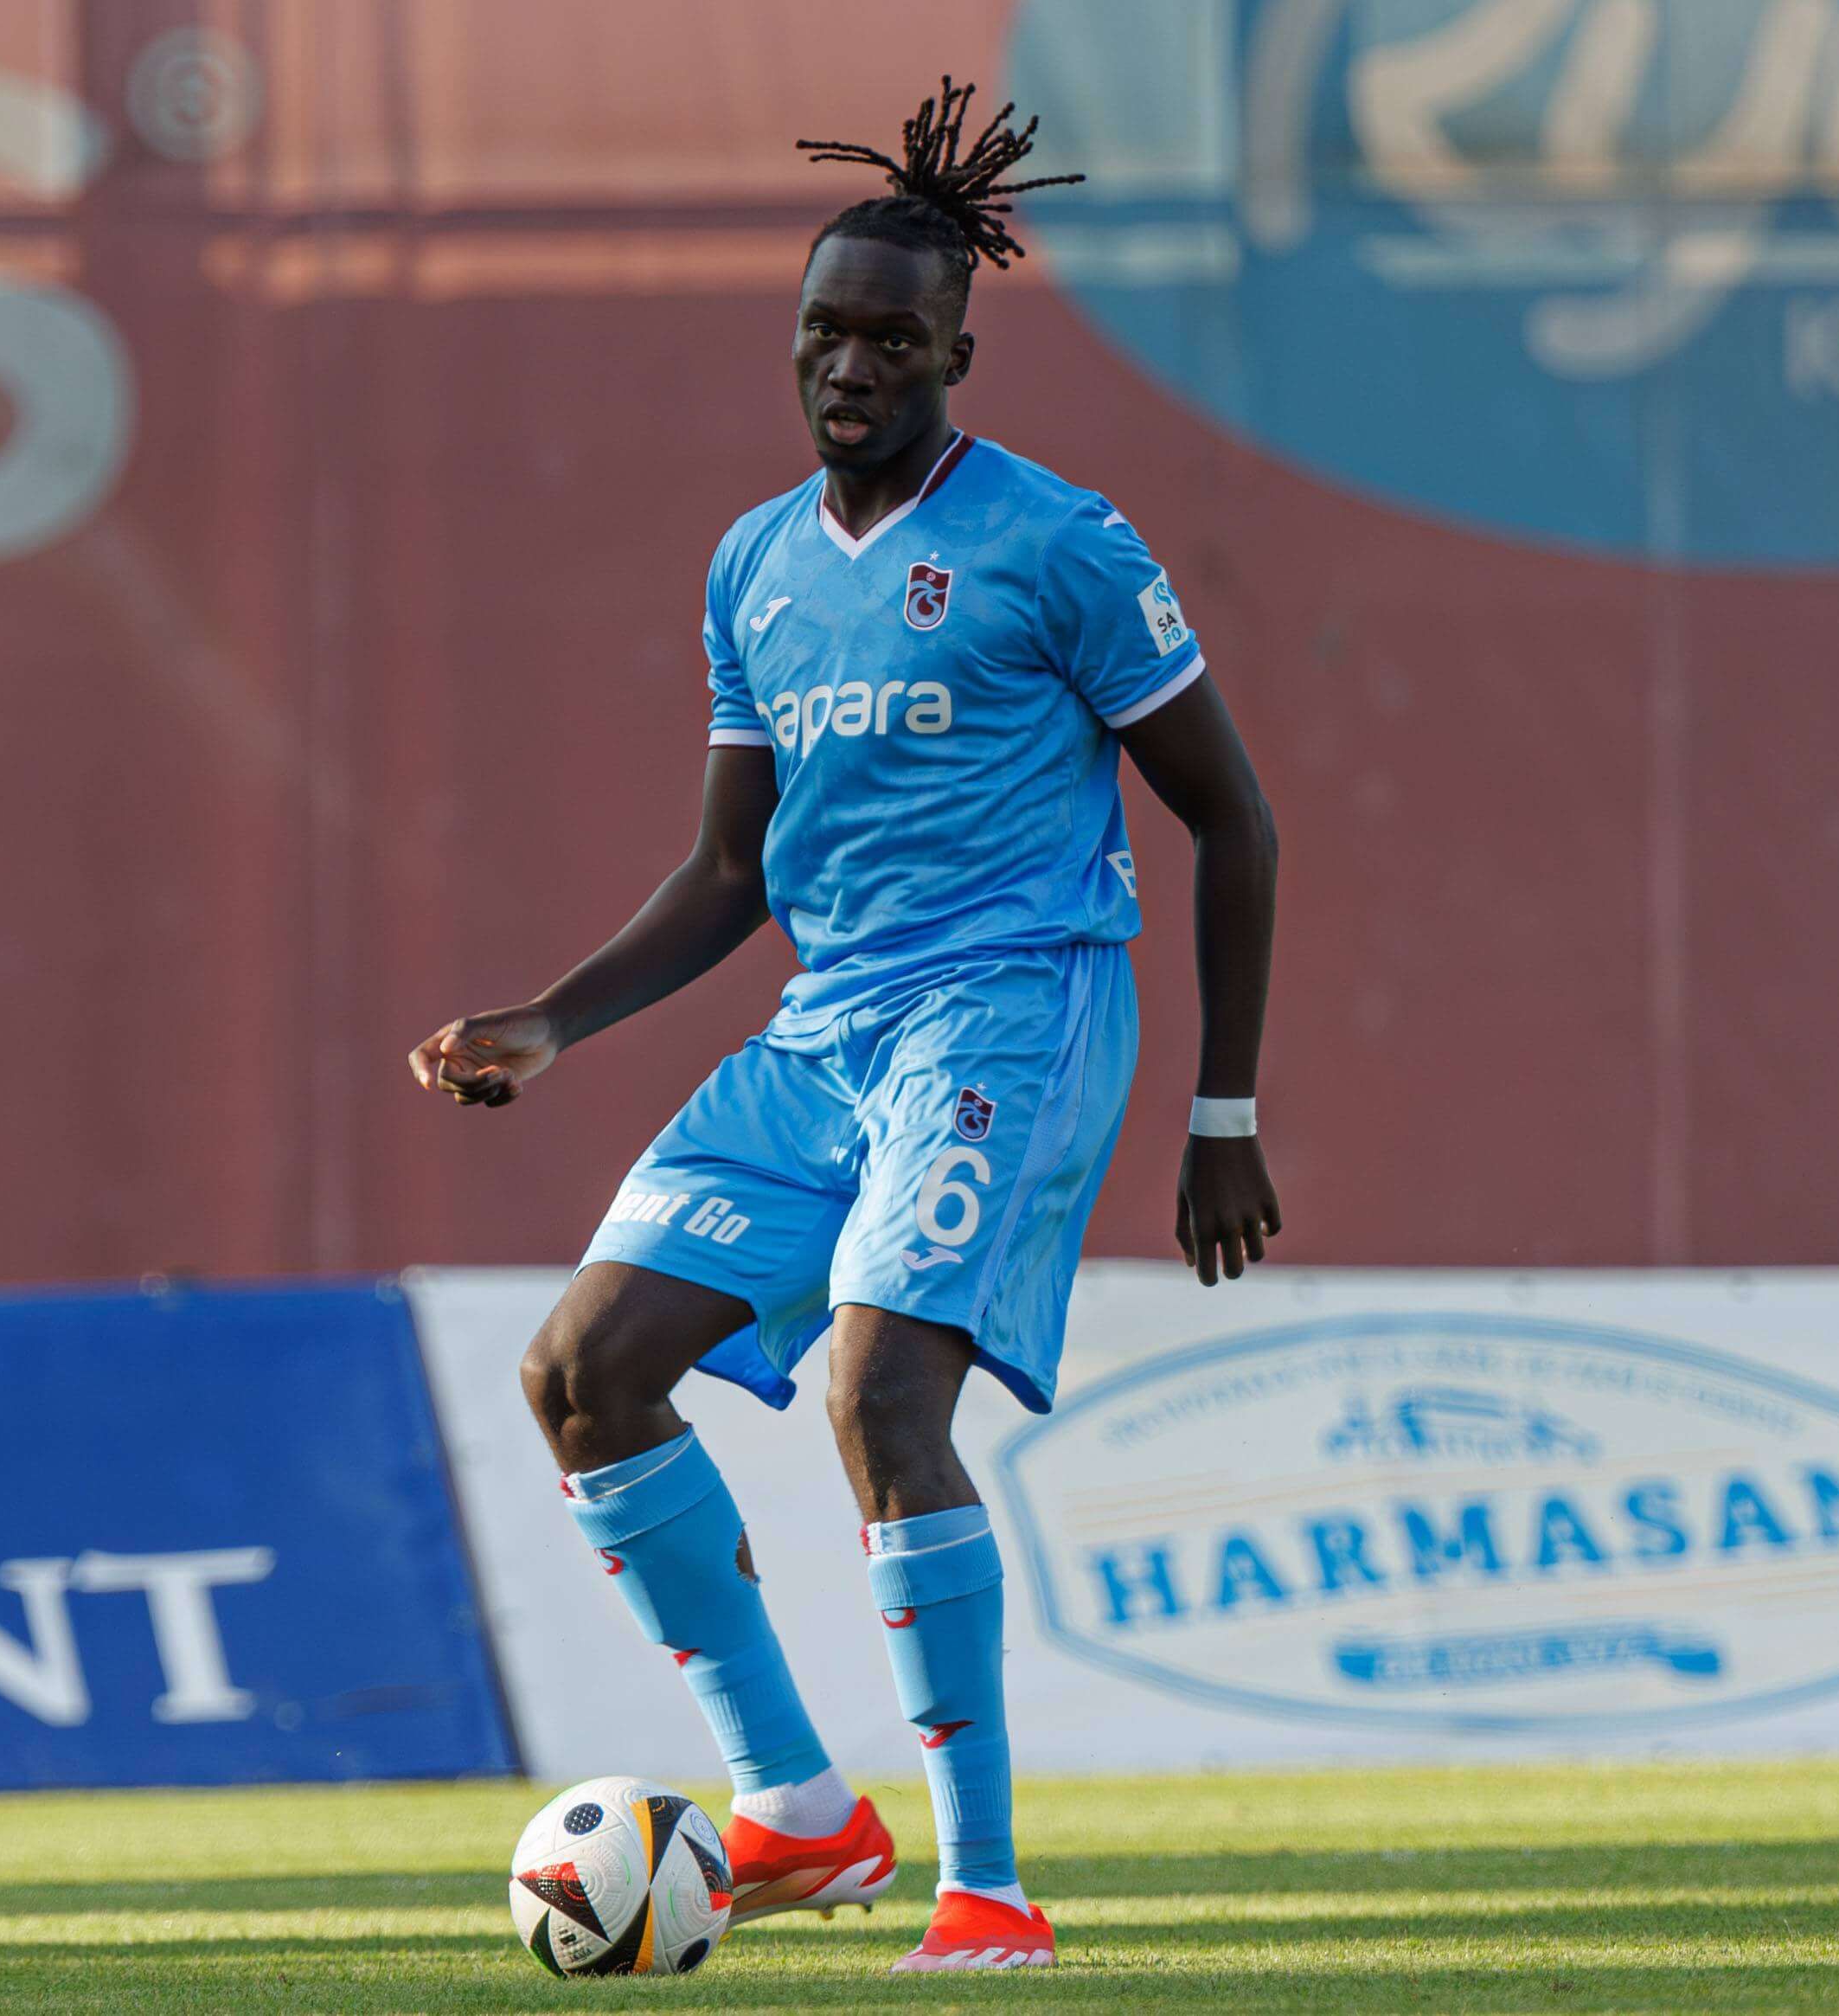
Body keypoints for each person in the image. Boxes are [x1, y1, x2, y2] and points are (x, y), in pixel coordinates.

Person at [407, 81, 1279, 1973]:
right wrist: (553, 1023)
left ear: (958, 350)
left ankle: (988, 1889)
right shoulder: (753, 565)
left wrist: (1223, 1111)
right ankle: (798, 1812)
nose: (851, 365)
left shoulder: (1059, 543)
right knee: (580, 1371)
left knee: (881, 1398)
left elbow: (1232, 816)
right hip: (827, 1034)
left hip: (1012, 1009)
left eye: (892, 337)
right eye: (824, 331)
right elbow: (733, 868)